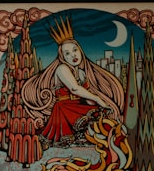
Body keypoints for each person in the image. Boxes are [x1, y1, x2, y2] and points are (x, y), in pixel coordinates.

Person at [20, 16, 125, 144]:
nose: (73, 55)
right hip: (65, 109)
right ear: (62, 57)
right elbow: (74, 88)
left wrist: (97, 101)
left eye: (75, 50)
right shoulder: (62, 68)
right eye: (67, 53)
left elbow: (86, 98)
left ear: (80, 51)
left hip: (79, 107)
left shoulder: (81, 72)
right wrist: (97, 99)